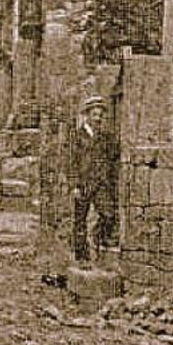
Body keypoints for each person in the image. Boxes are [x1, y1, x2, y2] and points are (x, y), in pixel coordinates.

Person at [69, 94, 119, 264]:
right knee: (80, 220)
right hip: (83, 184)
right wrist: (75, 185)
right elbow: (72, 161)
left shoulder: (106, 137)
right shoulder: (77, 136)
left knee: (108, 215)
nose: (98, 118)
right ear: (87, 115)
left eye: (100, 115)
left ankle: (97, 236)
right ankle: (82, 257)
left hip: (101, 184)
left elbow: (112, 157)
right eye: (95, 115)